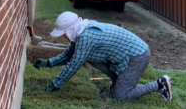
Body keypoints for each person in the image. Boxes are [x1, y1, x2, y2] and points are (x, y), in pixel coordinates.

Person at [33, 12, 172, 101]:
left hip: (136, 57)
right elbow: (69, 54)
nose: (63, 36)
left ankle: (160, 85)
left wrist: (55, 84)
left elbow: (74, 64)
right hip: (125, 56)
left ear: (70, 30)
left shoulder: (86, 37)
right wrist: (48, 63)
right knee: (90, 57)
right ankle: (117, 82)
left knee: (119, 96)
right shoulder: (82, 31)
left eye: (63, 33)